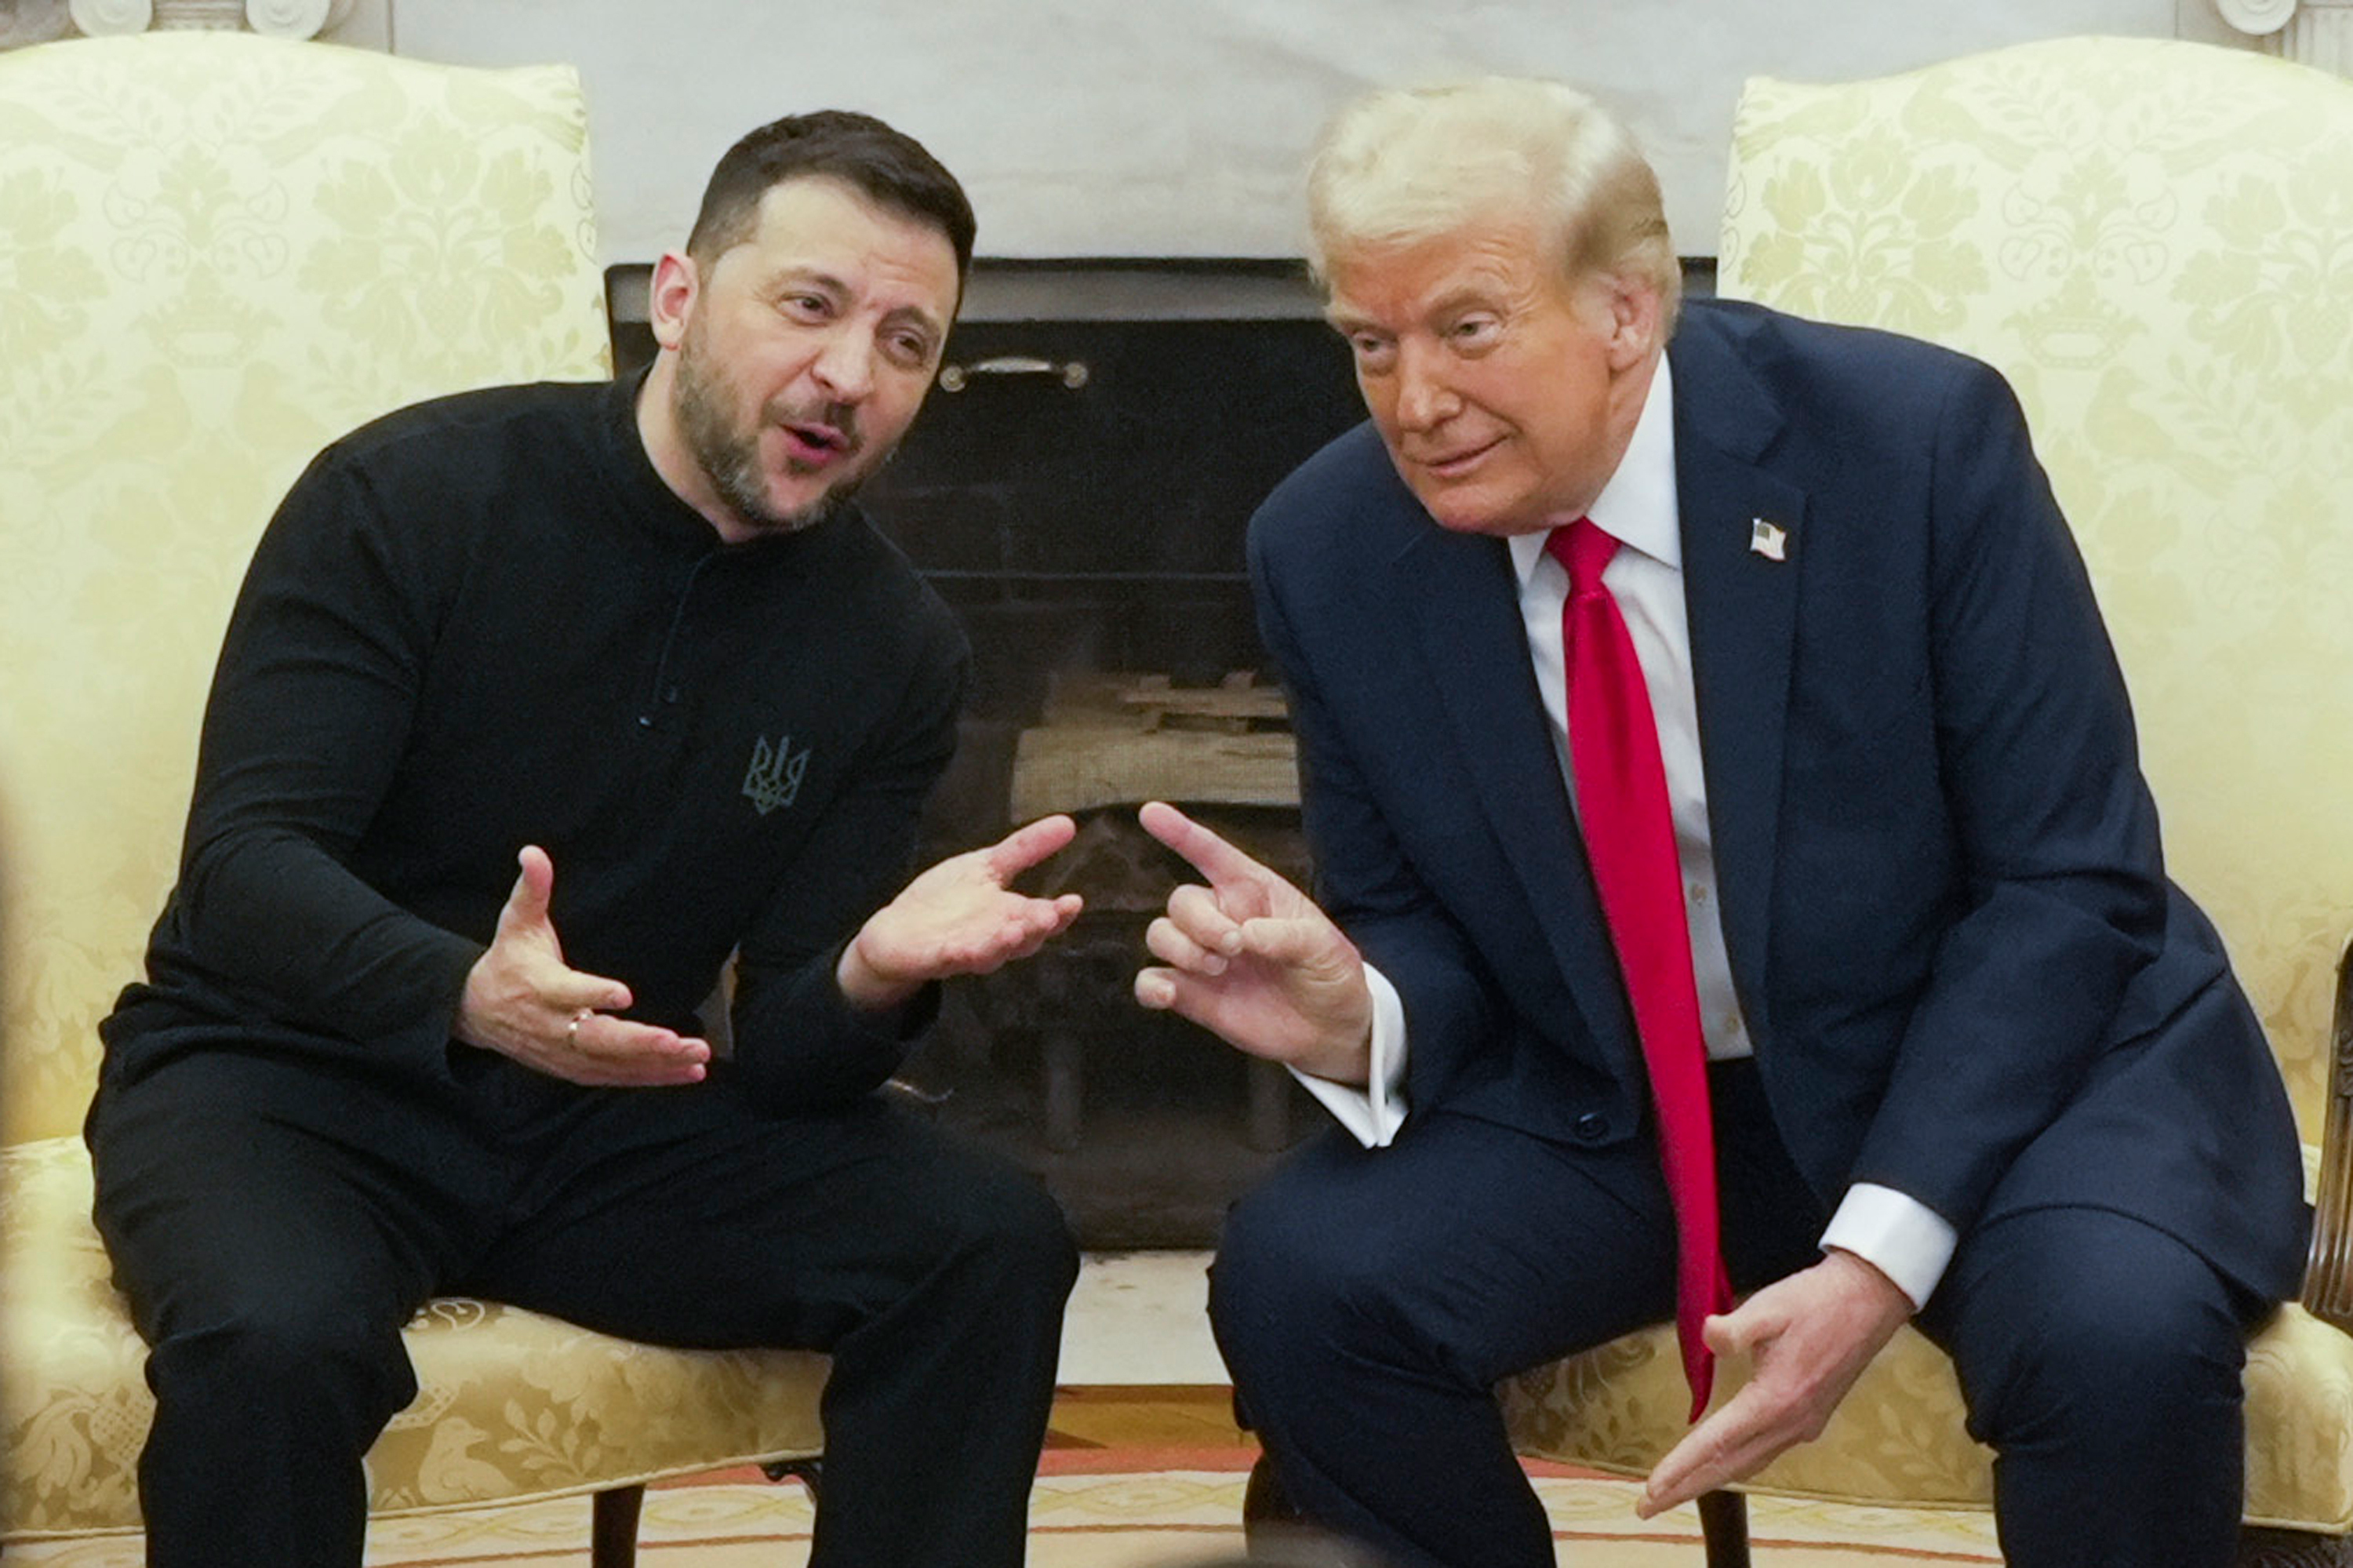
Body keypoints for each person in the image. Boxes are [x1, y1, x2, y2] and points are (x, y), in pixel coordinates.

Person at [1133, 77, 2308, 1568]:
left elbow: (2069, 885)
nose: (1413, 402)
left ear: (1626, 310)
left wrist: (1874, 1259)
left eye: (1467, 330)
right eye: (1373, 342)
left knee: (2113, 1333)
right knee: (1307, 1282)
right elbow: (1416, 921)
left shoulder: (1912, 444)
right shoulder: (1331, 546)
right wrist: (1360, 1012)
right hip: (1630, 1092)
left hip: (2003, 1063)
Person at [89, 110, 1084, 1568]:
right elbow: (245, 868)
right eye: (809, 304)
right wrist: (464, 991)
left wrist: (869, 972)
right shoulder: (407, 496)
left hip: (600, 1118)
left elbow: (787, 1056)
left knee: (986, 1241)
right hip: (286, 1082)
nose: (848, 373)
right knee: (273, 1338)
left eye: (905, 342)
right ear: (678, 297)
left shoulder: (894, 647)